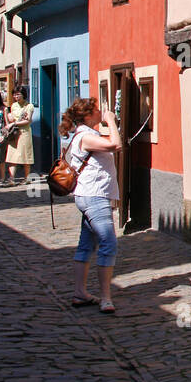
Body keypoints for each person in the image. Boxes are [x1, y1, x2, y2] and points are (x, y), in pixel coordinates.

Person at [61, 98, 122, 313]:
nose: (100, 112)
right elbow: (116, 144)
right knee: (108, 242)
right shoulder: (86, 137)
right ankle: (106, 297)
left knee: (86, 244)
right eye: (96, 110)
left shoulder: (87, 135)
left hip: (89, 195)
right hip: (94, 196)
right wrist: (111, 121)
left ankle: (80, 292)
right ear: (87, 116)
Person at [5, 88, 34, 185]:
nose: (16, 97)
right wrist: (10, 118)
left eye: (18, 94)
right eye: (15, 95)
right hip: (14, 133)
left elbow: (28, 120)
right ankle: (11, 178)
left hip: (24, 132)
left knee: (25, 156)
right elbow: (11, 118)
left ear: (23, 94)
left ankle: (27, 178)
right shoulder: (13, 106)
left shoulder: (29, 106)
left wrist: (14, 123)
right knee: (12, 156)